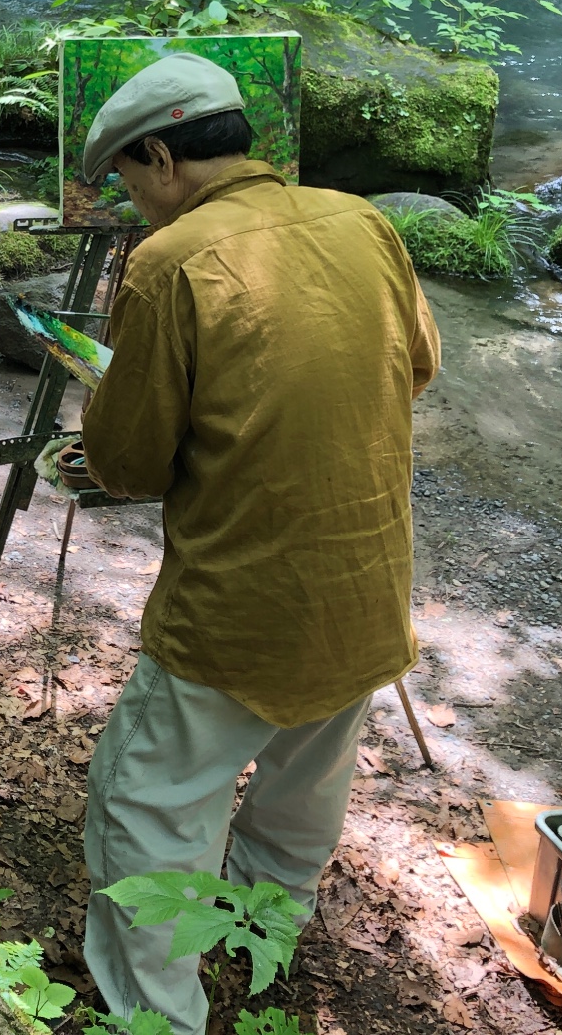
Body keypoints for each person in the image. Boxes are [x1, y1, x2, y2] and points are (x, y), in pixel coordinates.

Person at [72, 52, 440, 1035]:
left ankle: (157, 1013)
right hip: (363, 587)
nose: (133, 202)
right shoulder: (361, 220)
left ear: (160, 155)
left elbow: (128, 464)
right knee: (305, 780)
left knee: (145, 801)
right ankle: (262, 930)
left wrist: (101, 403)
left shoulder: (166, 263)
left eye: (129, 179)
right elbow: (417, 364)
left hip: (236, 608)